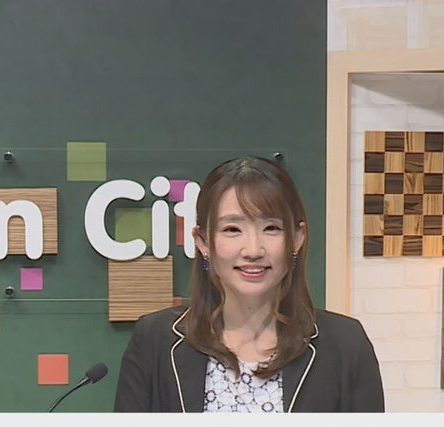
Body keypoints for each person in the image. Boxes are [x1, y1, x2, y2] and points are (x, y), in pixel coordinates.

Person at [114, 156, 384, 413]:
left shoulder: (345, 344)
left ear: (297, 238)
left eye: (271, 228)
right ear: (202, 242)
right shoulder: (154, 340)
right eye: (232, 229)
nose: (253, 250)